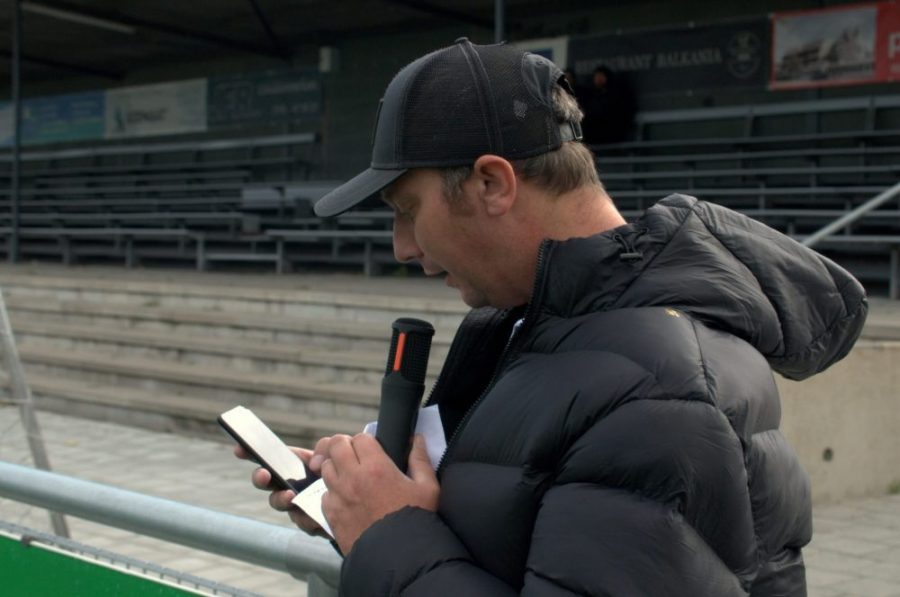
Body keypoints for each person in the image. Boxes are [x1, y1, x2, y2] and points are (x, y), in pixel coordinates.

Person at [238, 38, 867, 595]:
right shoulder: (529, 326)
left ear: (492, 183)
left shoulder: (658, 391)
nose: (403, 247)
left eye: (407, 209)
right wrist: (360, 507)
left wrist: (390, 534)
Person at [579, 65, 636, 145]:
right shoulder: (591, 96)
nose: (598, 79)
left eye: (601, 76)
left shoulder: (615, 95)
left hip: (611, 134)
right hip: (594, 136)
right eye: (596, 77)